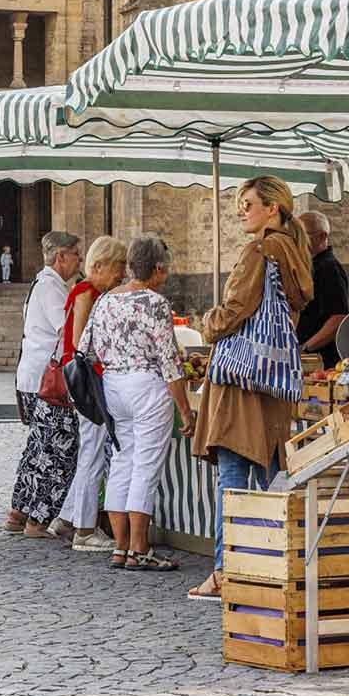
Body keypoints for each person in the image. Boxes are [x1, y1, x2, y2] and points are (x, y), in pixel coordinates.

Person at [188, 176, 313, 601]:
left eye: (248, 204)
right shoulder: (295, 252)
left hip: (240, 382)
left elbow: (235, 309)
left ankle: (227, 572)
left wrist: (207, 323)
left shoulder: (260, 250)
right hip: (271, 381)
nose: (242, 211)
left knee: (232, 480)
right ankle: (273, 564)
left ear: (272, 209)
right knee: (270, 477)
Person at [85, 235, 194, 571]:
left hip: (114, 384)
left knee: (121, 462)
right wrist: (185, 410)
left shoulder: (105, 300)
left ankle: (121, 548)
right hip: (147, 385)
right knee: (145, 466)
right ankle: (140, 547)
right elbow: (169, 362)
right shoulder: (155, 303)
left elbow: (85, 346)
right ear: (158, 269)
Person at [49, 236, 128, 551]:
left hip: (82, 380)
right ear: (99, 266)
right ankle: (85, 530)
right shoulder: (87, 293)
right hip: (86, 382)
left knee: (90, 450)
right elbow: (83, 345)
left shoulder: (85, 291)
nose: (121, 275)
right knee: (92, 453)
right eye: (117, 267)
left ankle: (66, 519)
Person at [7, 230, 83, 538]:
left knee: (37, 449)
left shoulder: (43, 284)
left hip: (33, 377)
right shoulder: (51, 287)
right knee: (56, 452)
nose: (80, 260)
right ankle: (37, 521)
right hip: (47, 382)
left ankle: (19, 511)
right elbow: (66, 329)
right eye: (77, 254)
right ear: (61, 256)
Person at [297, 211, 349, 368]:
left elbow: (338, 318)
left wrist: (305, 348)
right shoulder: (312, 266)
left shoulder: (328, 268)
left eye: (302, 235)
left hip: (319, 360)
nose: (297, 241)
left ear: (322, 236)